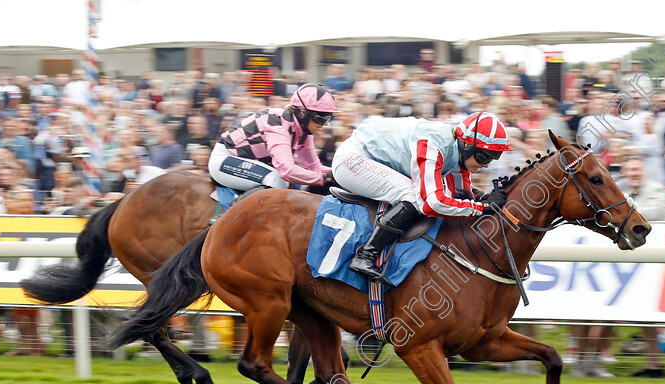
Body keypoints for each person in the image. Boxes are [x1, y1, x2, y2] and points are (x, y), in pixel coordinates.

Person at [331, 111, 512, 281]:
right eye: (484, 158)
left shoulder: (456, 149)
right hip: (353, 160)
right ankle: (365, 256)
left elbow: (462, 194)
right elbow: (431, 204)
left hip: (369, 156)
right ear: (467, 145)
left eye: (492, 159)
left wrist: (480, 200)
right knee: (414, 198)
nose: (487, 166)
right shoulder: (433, 143)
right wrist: (482, 208)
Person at [208, 83, 337, 206]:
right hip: (225, 160)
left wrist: (338, 175)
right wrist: (325, 178)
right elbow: (287, 170)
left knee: (297, 186)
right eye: (321, 118)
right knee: (277, 180)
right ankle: (231, 219)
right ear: (303, 112)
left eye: (328, 118)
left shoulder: (304, 130)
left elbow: (313, 167)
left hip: (248, 162)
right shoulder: (277, 126)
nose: (325, 123)